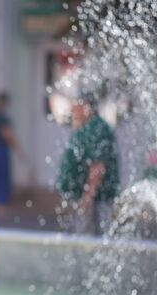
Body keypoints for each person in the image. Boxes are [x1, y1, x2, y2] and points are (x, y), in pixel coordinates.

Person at [57, 89, 119, 235]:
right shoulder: (85, 127)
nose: (72, 110)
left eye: (76, 106)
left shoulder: (96, 129)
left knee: (89, 240)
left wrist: (88, 197)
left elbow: (98, 166)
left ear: (87, 108)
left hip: (94, 201)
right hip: (83, 198)